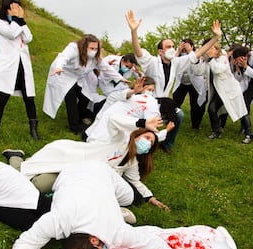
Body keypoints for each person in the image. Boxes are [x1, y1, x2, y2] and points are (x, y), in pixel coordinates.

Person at [11, 161, 223, 249]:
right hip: (68, 174)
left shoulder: (116, 232)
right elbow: (22, 245)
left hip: (102, 170)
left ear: (95, 240)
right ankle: (118, 208)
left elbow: (155, 246)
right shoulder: (56, 221)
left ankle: (125, 202)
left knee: (130, 197)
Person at [4, 114, 171, 211]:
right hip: (70, 158)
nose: (148, 143)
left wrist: (150, 198)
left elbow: (135, 181)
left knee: (39, 185)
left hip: (79, 176)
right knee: (33, 181)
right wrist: (142, 123)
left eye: (151, 144)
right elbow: (112, 120)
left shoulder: (132, 162)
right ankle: (15, 157)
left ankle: (25, 162)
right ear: (137, 135)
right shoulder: (120, 139)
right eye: (147, 137)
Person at [126, 10, 222, 153]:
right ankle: (139, 143)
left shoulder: (176, 63)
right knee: (145, 126)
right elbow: (138, 52)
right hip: (148, 102)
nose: (171, 49)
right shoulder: (152, 62)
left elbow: (197, 53)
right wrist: (134, 32)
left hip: (164, 102)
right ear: (160, 51)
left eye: (172, 46)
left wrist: (216, 38)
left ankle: (167, 144)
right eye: (168, 47)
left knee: (179, 115)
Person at [42, 34, 127, 134]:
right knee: (71, 99)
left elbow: (106, 68)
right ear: (84, 46)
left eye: (96, 48)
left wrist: (120, 78)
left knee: (85, 96)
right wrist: (59, 66)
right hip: (62, 74)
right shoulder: (74, 48)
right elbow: (63, 57)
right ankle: (74, 126)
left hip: (77, 77)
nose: (94, 51)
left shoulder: (95, 57)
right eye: (91, 48)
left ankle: (80, 117)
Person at [0, 0, 39, 144]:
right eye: (15, 8)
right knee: (2, 98)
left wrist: (21, 20)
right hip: (7, 66)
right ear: (7, 10)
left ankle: (34, 129)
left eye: (19, 8)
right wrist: (17, 20)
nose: (18, 10)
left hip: (22, 64)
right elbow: (11, 34)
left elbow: (28, 38)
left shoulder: (18, 23)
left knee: (29, 98)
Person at [84, 76, 172, 144]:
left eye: (152, 91)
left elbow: (149, 126)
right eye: (148, 89)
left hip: (107, 133)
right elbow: (122, 96)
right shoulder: (123, 96)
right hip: (98, 132)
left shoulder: (144, 102)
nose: (150, 93)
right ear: (140, 86)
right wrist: (133, 91)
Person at [204, 40, 253, 144]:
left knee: (241, 111)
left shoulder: (223, 59)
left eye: (212, 48)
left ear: (217, 50)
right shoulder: (210, 60)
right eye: (208, 48)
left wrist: (211, 59)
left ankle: (249, 134)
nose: (209, 50)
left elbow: (218, 70)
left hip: (231, 90)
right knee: (212, 109)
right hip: (220, 91)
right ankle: (216, 131)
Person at [173, 39, 208, 130]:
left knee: (196, 104)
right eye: (183, 46)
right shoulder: (178, 55)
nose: (184, 49)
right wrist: (179, 50)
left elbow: (197, 65)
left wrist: (190, 51)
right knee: (175, 101)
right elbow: (171, 61)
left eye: (187, 46)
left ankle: (195, 124)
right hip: (182, 82)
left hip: (194, 83)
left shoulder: (196, 54)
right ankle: (173, 121)